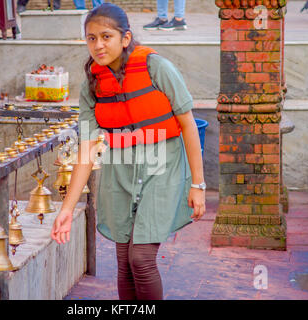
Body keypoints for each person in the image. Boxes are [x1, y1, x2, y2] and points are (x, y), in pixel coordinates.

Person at [51, 3, 206, 300]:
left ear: (125, 38)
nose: (98, 45)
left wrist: (198, 184)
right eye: (91, 38)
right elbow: (87, 150)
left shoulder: (156, 67)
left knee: (141, 260)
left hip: (163, 168)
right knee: (124, 262)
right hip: (119, 171)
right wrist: (67, 209)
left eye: (106, 36)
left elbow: (188, 125)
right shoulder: (92, 86)